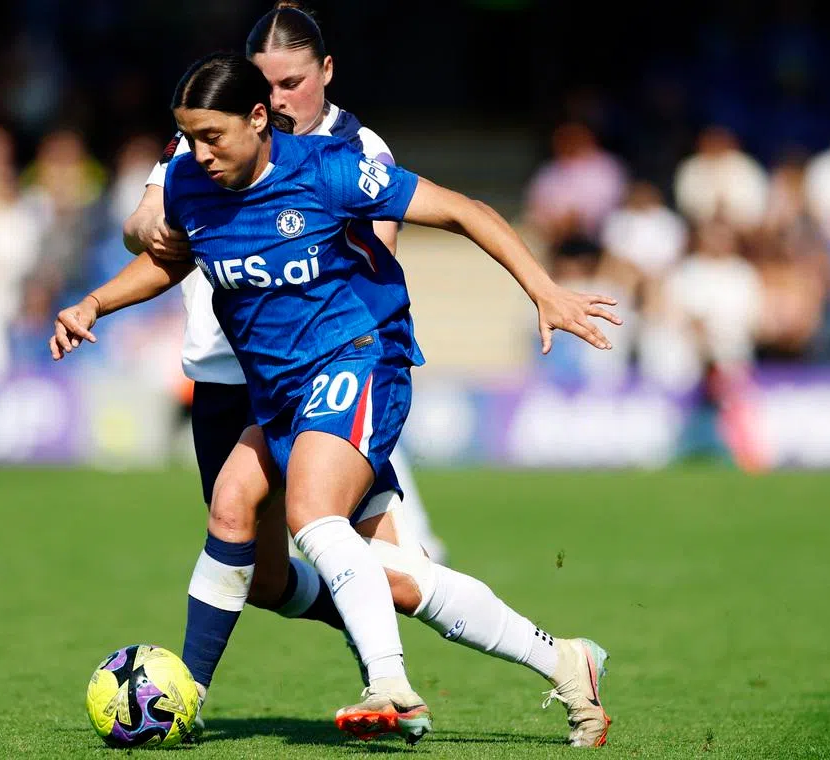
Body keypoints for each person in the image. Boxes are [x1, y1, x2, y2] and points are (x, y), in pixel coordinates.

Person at [52, 52, 619, 746]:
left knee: (312, 517)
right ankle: (564, 659)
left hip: (359, 359)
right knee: (247, 514)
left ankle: (389, 684)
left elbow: (464, 210)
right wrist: (94, 303)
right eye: (188, 137)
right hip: (280, 390)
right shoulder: (190, 185)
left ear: (258, 119)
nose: (196, 153)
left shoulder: (327, 170)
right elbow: (171, 259)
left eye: (211, 137)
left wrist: (544, 289)